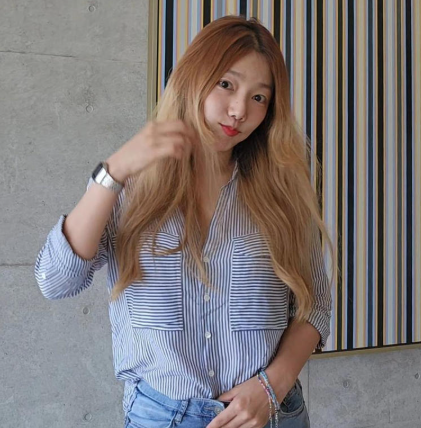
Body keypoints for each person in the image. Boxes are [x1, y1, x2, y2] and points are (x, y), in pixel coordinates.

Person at [35, 15, 334, 428]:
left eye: (259, 97)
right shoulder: (128, 187)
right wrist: (114, 172)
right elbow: (55, 281)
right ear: (193, 76)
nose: (239, 111)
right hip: (162, 417)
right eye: (226, 84)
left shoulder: (281, 190)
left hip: (271, 413)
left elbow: (315, 305)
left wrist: (272, 386)